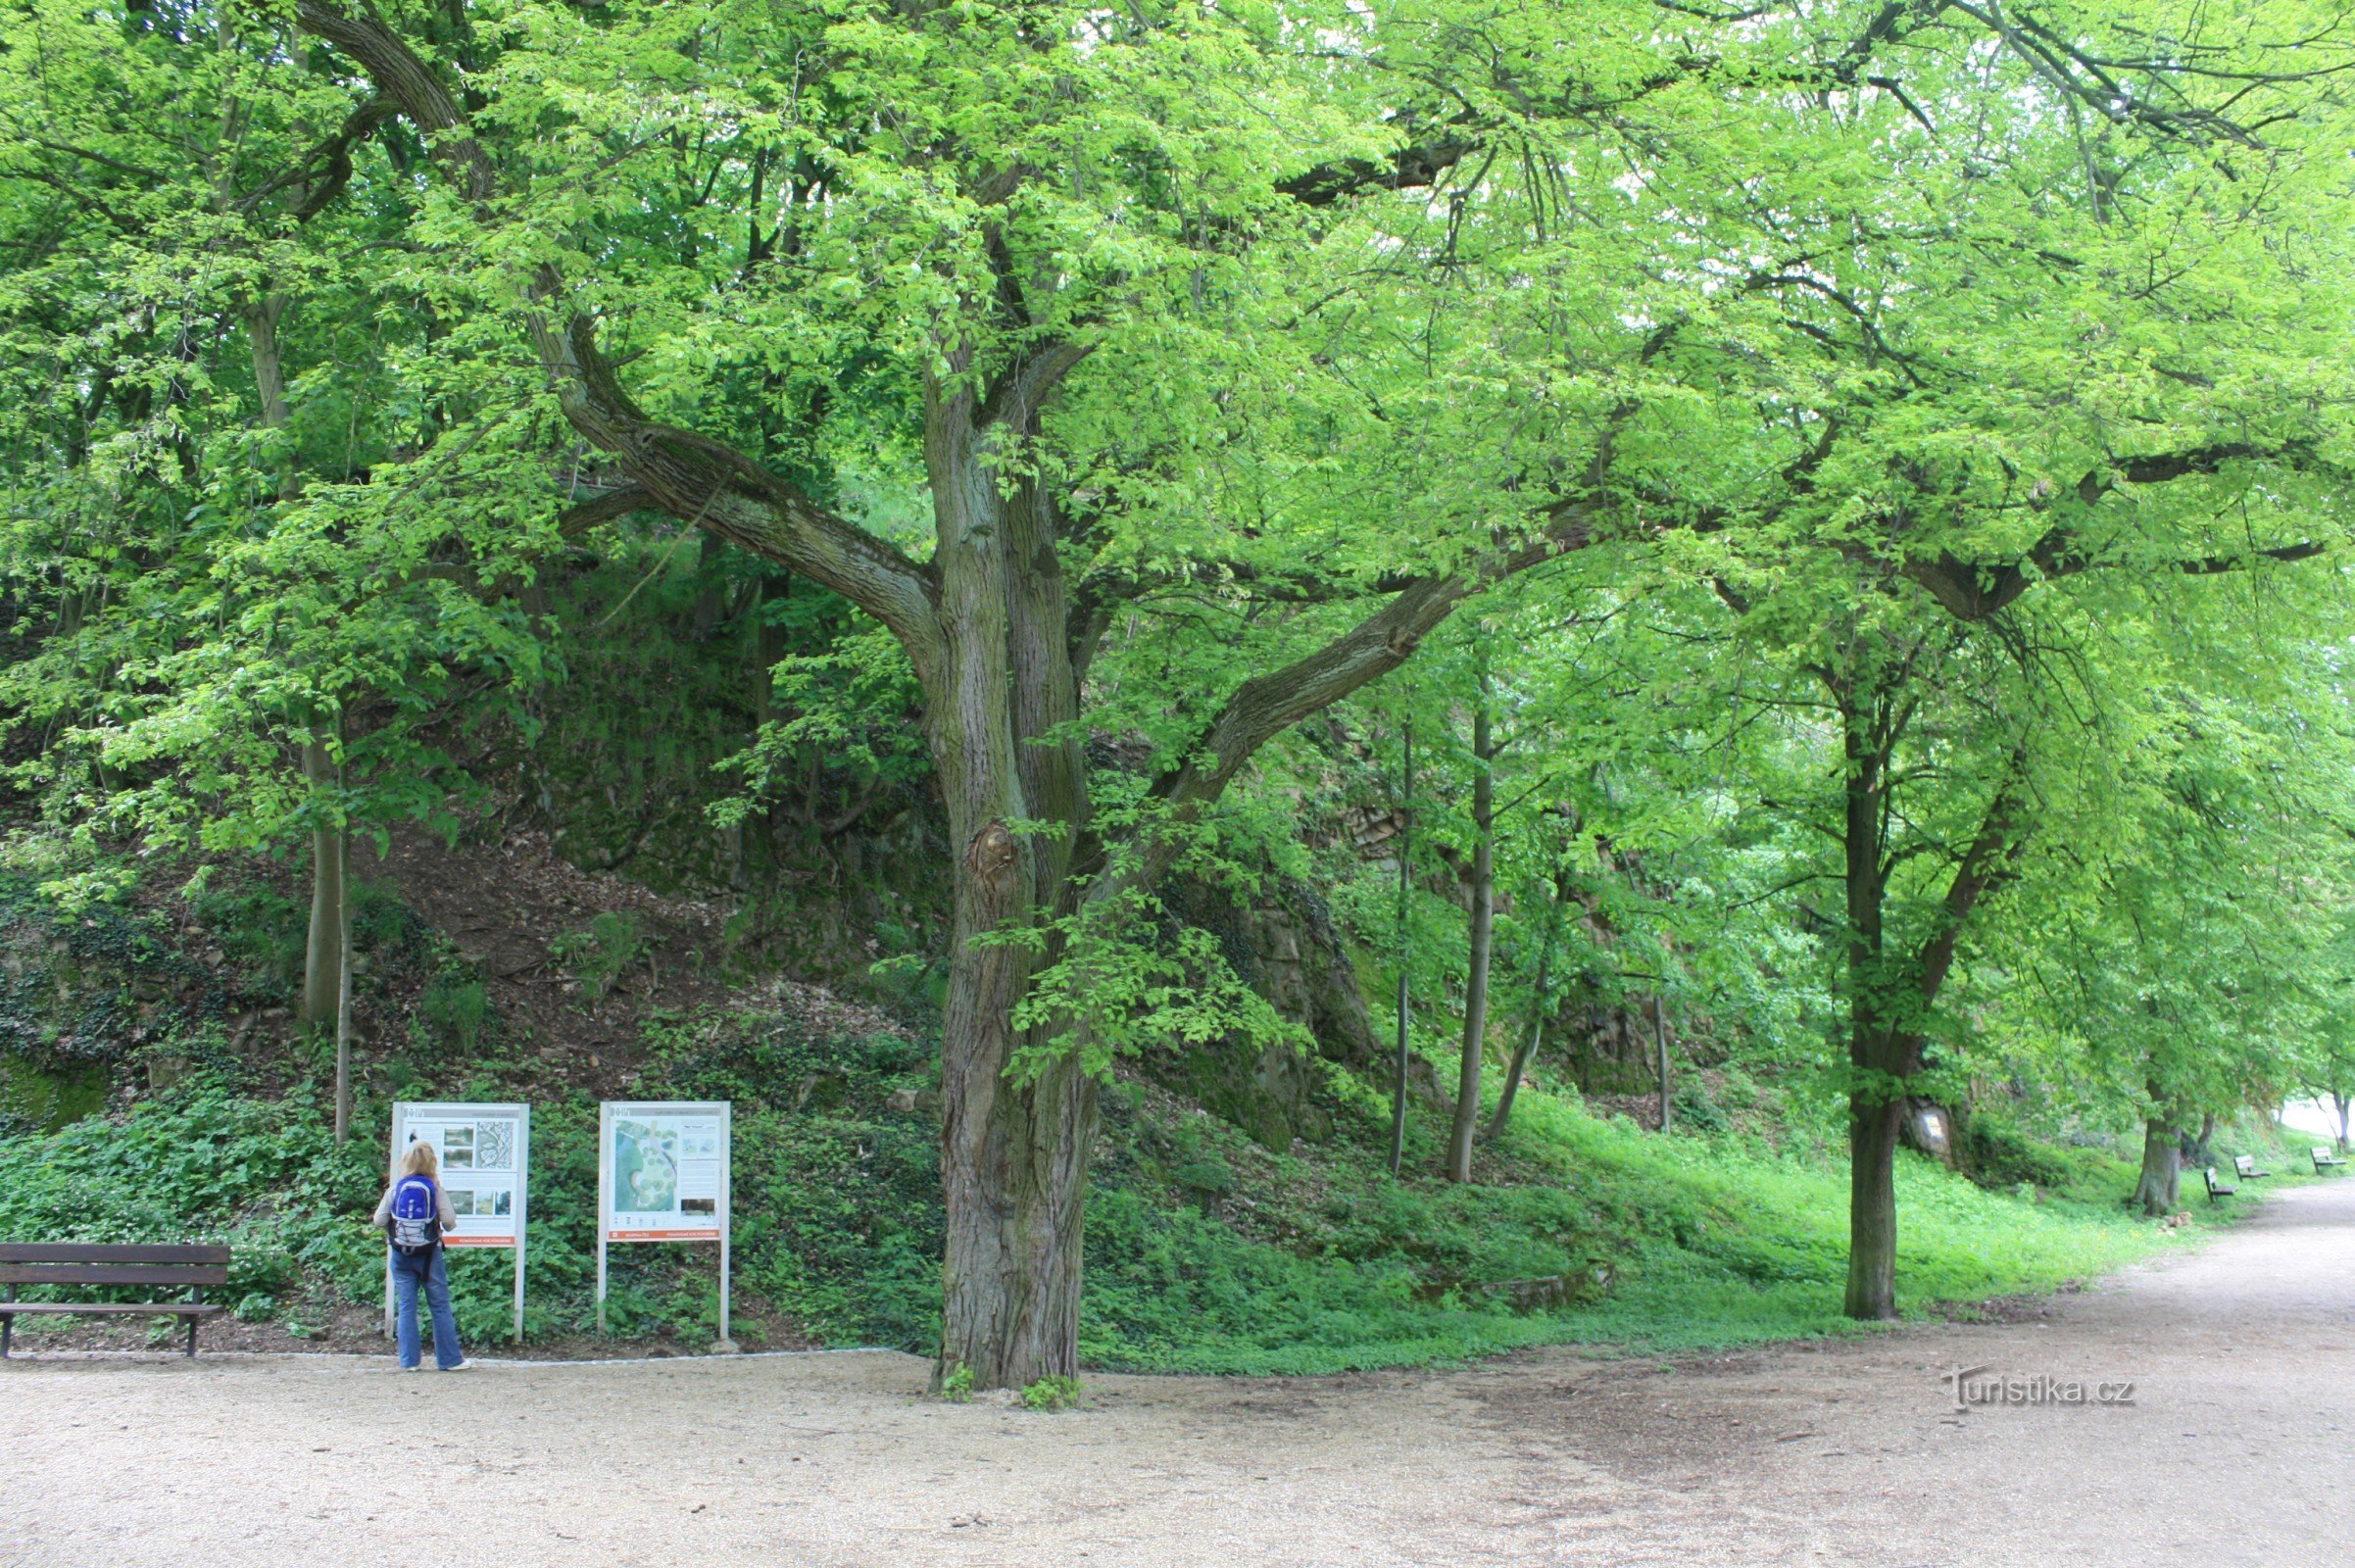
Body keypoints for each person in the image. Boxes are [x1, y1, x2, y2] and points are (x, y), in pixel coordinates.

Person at [372, 1141, 467, 1371]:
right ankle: (449, 1360)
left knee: (406, 1306)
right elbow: (449, 1222)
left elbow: (378, 1221)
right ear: (432, 1162)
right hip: (429, 1256)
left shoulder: (396, 1189)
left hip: (400, 1255)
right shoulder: (435, 1189)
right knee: (439, 1305)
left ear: (406, 1162)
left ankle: (409, 1362)